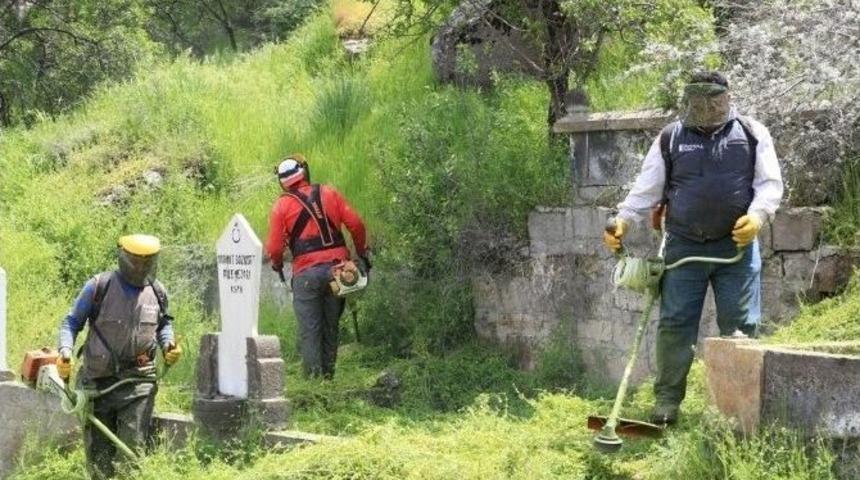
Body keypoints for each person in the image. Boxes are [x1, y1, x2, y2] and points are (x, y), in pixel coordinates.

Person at [603, 71, 783, 425]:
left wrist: (759, 217)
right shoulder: (671, 137)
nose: (705, 109)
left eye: (712, 102)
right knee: (674, 325)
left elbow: (770, 184)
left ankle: (737, 413)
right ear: (688, 102)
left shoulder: (751, 133)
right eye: (697, 103)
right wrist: (623, 220)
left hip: (736, 250)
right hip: (684, 249)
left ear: (726, 99)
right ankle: (667, 404)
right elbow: (647, 189)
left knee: (741, 328)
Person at [55, 234, 182, 479]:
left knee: (131, 456)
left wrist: (169, 345)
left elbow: (164, 324)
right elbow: (71, 323)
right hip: (97, 385)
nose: (140, 267)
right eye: (135, 261)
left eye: (147, 262)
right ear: (123, 257)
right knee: (99, 461)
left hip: (138, 384)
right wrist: (65, 353)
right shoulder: (98, 287)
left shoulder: (156, 291)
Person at [265, 154, 369, 379]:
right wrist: (360, 253)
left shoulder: (281, 206)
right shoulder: (329, 193)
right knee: (331, 326)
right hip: (338, 271)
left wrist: (276, 264)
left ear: (282, 181)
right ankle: (328, 378)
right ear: (304, 173)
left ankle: (313, 383)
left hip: (306, 276)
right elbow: (356, 225)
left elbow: (273, 248)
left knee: (310, 332)